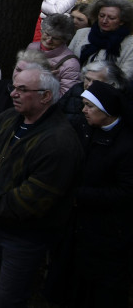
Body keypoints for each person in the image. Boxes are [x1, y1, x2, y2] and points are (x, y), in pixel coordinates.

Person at [0, 65, 83, 306]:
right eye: (13, 87)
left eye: (22, 89)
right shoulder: (9, 118)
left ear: (45, 96)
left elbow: (36, 195)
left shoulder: (59, 141)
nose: (13, 94)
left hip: (25, 236)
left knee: (10, 297)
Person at [64, 81, 133, 305]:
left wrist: (78, 195)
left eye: (89, 106)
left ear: (107, 110)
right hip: (83, 226)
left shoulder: (126, 145)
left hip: (110, 232)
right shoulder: (87, 130)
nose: (83, 110)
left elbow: (125, 191)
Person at [68, 0, 133, 79]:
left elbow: (125, 77)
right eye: (101, 16)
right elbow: (68, 61)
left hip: (107, 89)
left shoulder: (130, 44)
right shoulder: (82, 33)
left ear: (122, 21)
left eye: (111, 18)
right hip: (74, 83)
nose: (104, 21)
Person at [27, 13, 81, 93]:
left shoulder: (71, 64)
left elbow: (65, 95)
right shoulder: (32, 47)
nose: (49, 40)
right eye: (47, 34)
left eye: (55, 38)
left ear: (64, 39)